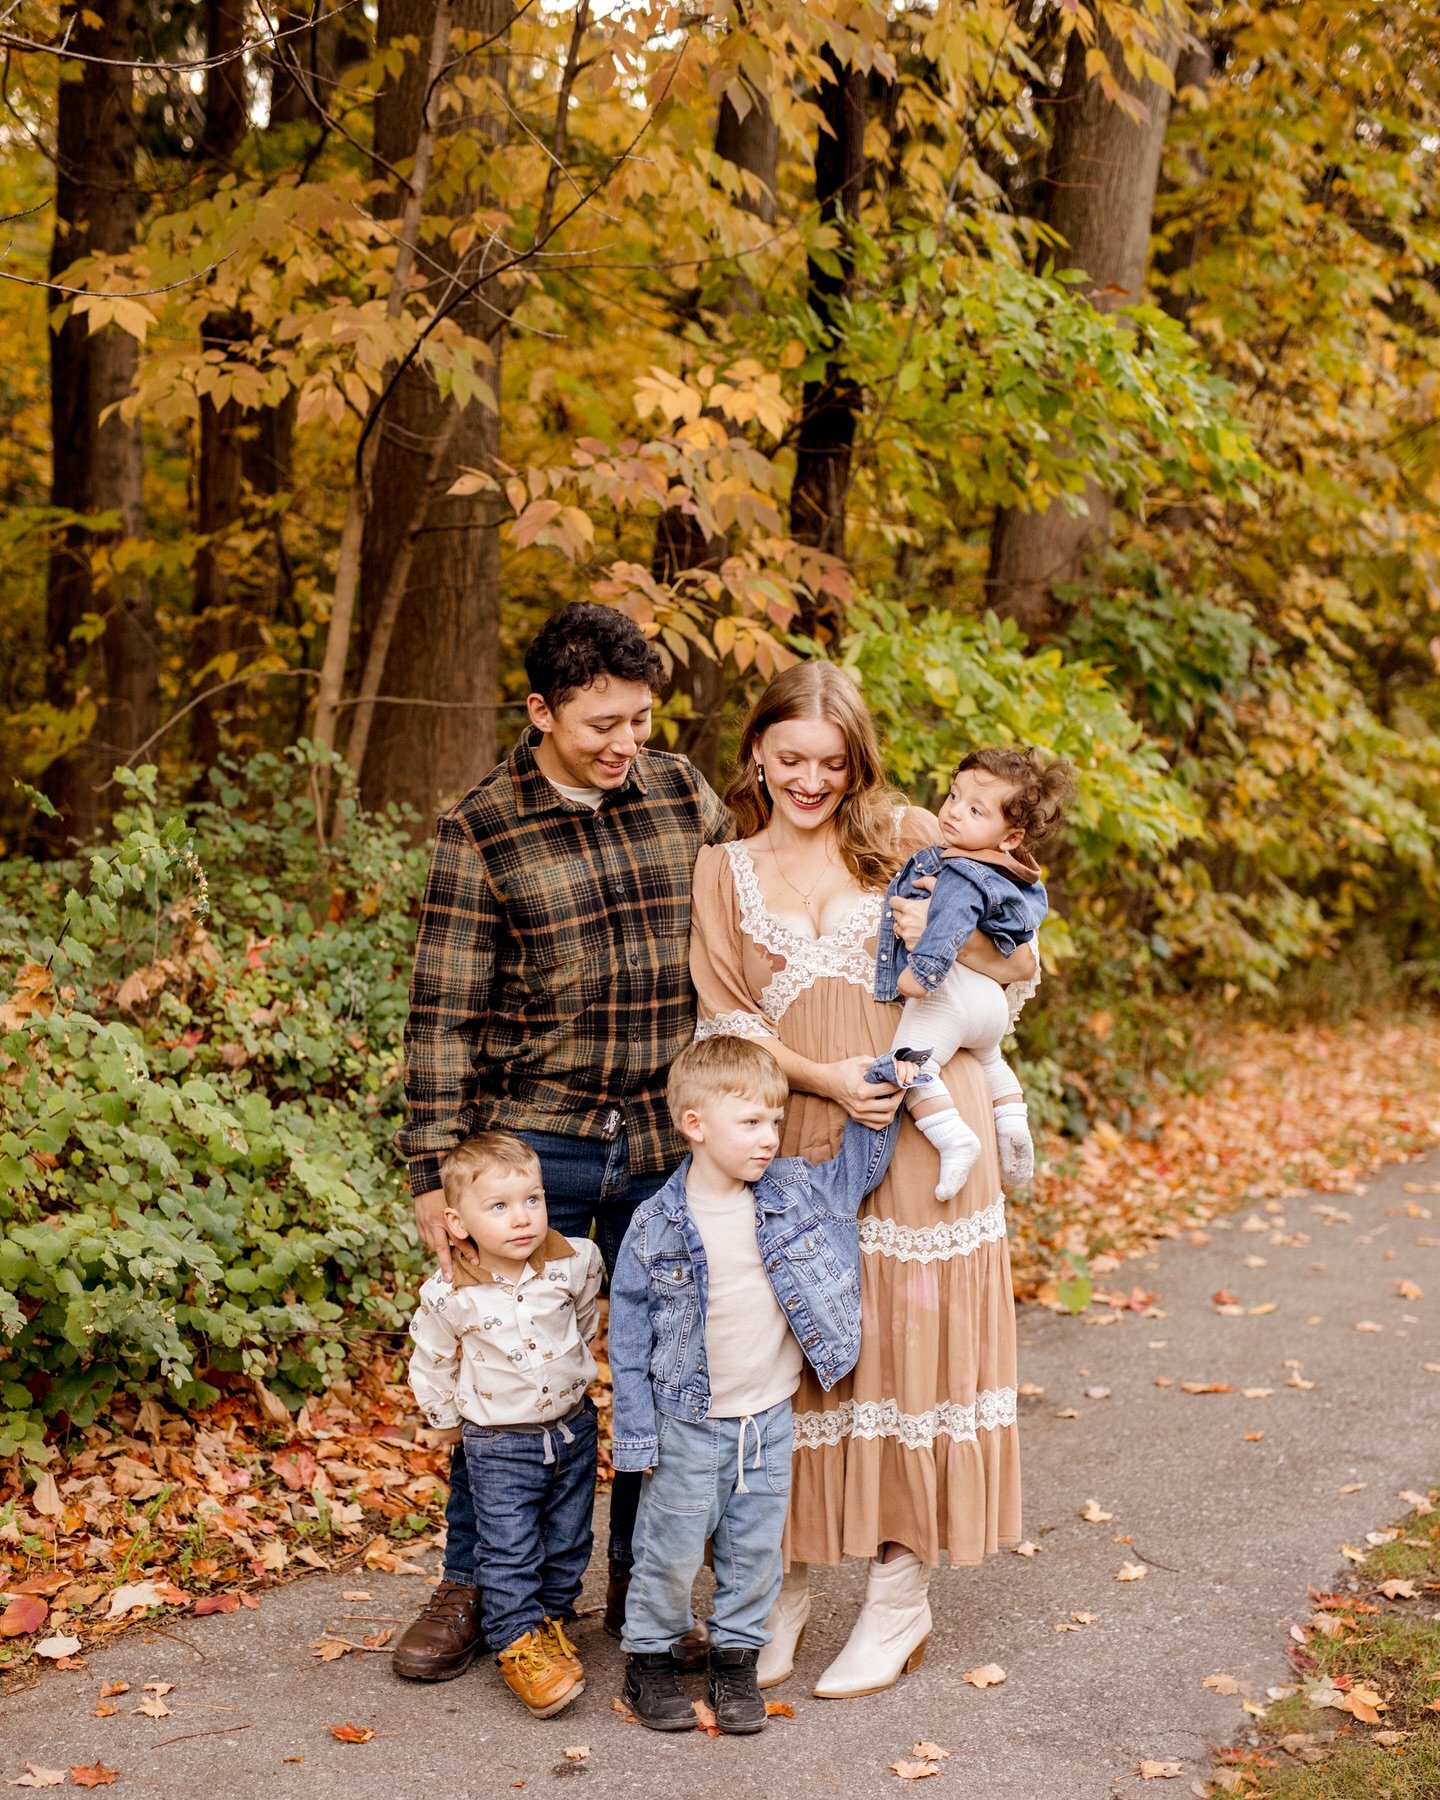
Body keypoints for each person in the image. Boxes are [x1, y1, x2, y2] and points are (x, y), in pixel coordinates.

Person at [393, 603, 731, 1681]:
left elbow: (763, 917)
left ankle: (643, 1576)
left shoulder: (683, 792)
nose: (627, 744)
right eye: (601, 725)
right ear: (540, 710)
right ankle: (480, 1586)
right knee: (507, 1373)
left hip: (667, 1137)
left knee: (660, 1373)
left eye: (640, 719)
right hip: (539, 1142)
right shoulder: (482, 827)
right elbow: (442, 1015)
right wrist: (429, 1180)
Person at [688, 662, 1036, 1700]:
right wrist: (822, 1078)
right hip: (797, 1128)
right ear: (756, 752)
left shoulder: (900, 830)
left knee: (908, 1355)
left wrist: (943, 938)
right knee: (794, 1367)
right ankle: (781, 1590)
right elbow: (725, 1016)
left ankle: (899, 1596)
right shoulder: (723, 869)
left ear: (857, 761)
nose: (811, 780)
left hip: (927, 1126)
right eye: (791, 759)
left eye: (832, 762)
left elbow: (1017, 959)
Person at [607, 1035, 922, 1735]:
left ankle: (735, 1662)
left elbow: (856, 1173)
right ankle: (649, 1662)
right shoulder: (655, 1225)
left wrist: (886, 1085)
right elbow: (627, 1340)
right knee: (671, 1551)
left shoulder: (788, 1192)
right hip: (687, 1420)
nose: (768, 1137)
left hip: (766, 1421)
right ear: (695, 1124)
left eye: (774, 1123)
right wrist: (634, 1435)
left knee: (754, 1553)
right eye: (751, 1123)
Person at [406, 1133, 602, 1718]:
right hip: (499, 1443)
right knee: (509, 1546)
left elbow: (584, 1315)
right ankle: (516, 1643)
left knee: (568, 1540)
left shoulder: (573, 1262)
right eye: (499, 1207)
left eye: (532, 1200)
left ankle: (550, 1623)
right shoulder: (449, 1296)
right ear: (456, 1223)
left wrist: (572, 1367)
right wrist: (446, 1422)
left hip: (573, 1428)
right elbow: (431, 1359)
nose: (523, 1218)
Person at [877, 746, 1073, 1200]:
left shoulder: (963, 871)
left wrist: (918, 976)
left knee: (908, 1066)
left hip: (950, 996)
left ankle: (954, 1139)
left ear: (1010, 837)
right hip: (989, 1006)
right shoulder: (1017, 875)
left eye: (975, 810)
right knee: (991, 1062)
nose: (954, 813)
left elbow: (945, 930)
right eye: (953, 797)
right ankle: (1012, 1124)